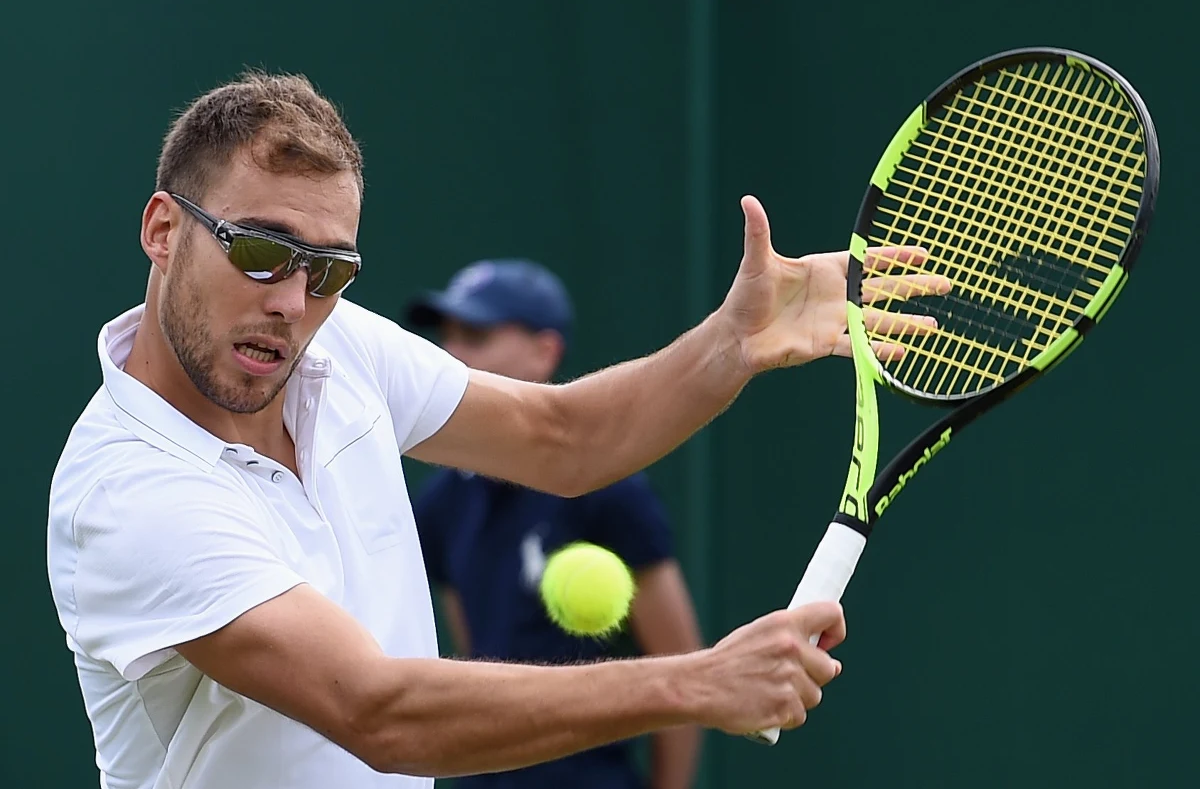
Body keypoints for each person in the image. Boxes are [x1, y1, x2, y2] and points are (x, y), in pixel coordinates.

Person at [45, 71, 947, 789]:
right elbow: (379, 711)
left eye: (328, 269)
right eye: (258, 250)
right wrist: (694, 680)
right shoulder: (129, 494)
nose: (290, 301)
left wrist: (733, 343)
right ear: (164, 230)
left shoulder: (335, 344)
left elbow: (564, 440)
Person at [403, 258, 704, 789]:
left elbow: (679, 666)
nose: (452, 353)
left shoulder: (613, 493)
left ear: (546, 352)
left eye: (476, 334)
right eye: (448, 335)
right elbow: (476, 659)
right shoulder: (441, 504)